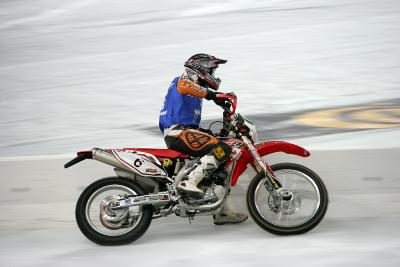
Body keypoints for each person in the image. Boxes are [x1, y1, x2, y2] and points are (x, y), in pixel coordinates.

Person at [159, 53, 248, 225]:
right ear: (201, 68)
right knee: (223, 149)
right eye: (212, 70)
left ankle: (220, 211)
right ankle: (188, 182)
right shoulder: (184, 79)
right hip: (177, 132)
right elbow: (184, 85)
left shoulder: (194, 90)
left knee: (222, 161)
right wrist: (214, 95)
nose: (214, 75)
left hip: (184, 131)